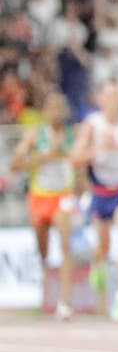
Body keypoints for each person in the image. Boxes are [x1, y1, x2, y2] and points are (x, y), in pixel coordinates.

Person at [70, 80, 118, 321]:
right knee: (103, 247)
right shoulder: (92, 125)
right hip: (101, 191)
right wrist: (97, 150)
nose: (114, 100)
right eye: (109, 95)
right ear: (100, 98)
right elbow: (74, 157)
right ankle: (97, 265)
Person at [10, 92, 78, 321]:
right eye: (53, 107)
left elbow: (79, 162)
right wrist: (42, 157)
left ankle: (65, 301)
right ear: (45, 111)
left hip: (63, 195)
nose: (57, 112)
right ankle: (44, 281)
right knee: (43, 246)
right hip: (40, 196)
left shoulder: (71, 135)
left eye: (61, 107)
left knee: (66, 244)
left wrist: (69, 158)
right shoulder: (34, 135)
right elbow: (15, 164)